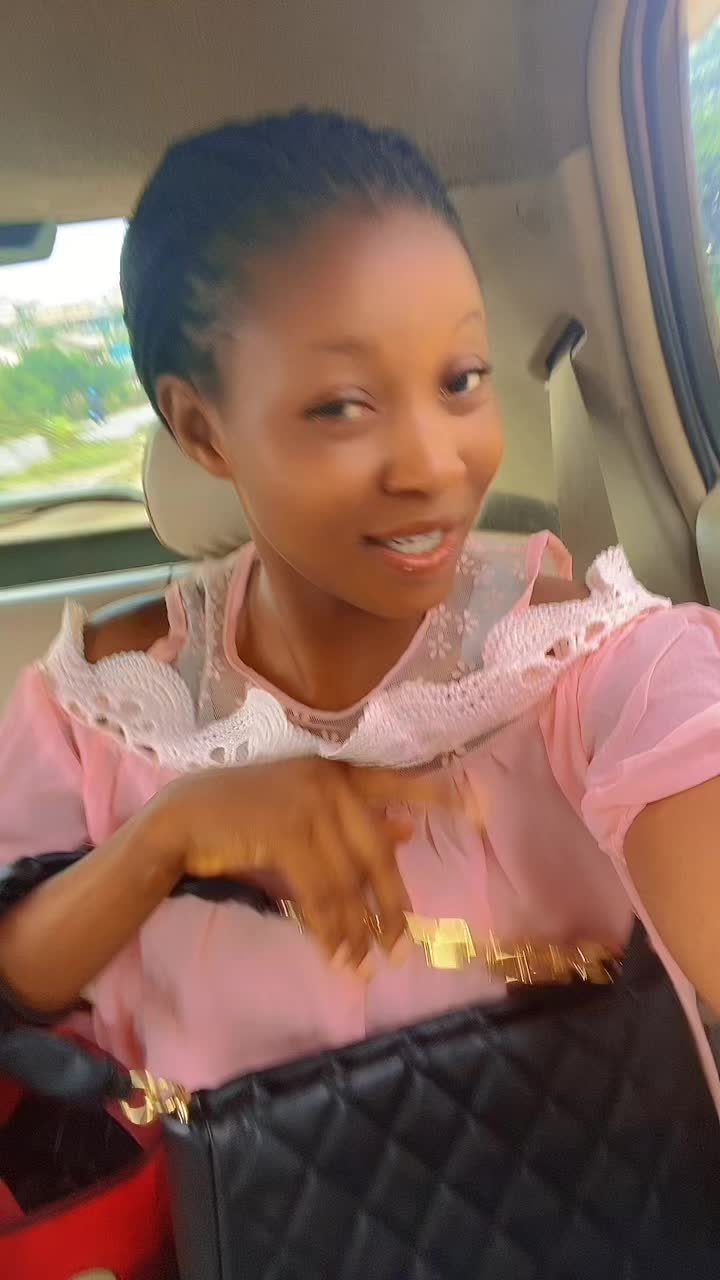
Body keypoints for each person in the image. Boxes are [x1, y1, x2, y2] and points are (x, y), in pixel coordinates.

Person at [0, 110, 719, 1101]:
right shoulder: (107, 704)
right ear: (204, 431)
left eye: (461, 381)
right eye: (342, 405)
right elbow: (20, 974)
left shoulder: (594, 664)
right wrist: (167, 834)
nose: (433, 465)